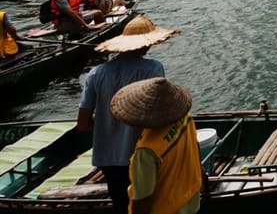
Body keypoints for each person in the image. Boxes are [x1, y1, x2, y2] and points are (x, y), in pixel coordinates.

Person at [79, 17, 178, 214]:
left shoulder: (96, 73)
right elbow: (159, 113)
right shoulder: (153, 68)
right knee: (148, 204)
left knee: (121, 205)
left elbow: (82, 123)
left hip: (107, 158)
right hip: (141, 154)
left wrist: (107, 126)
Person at [110, 78, 203, 214]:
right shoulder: (183, 117)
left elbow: (143, 199)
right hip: (191, 202)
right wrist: (201, 173)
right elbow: (195, 145)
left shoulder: (146, 151)